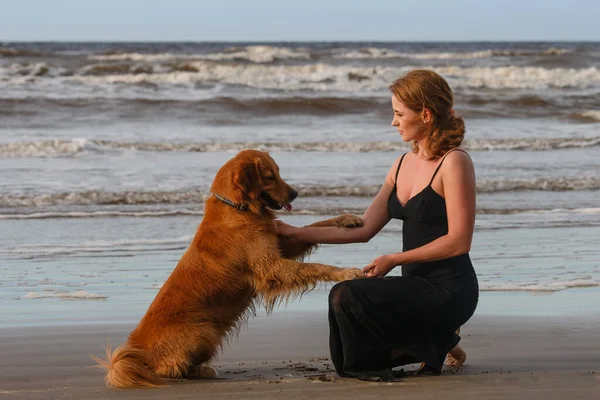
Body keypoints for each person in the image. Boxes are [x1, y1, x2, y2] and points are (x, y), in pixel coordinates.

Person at [275, 69, 479, 381]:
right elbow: (363, 228)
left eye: (399, 114)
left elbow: (458, 241)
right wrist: (294, 231)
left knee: (347, 295)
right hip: (414, 288)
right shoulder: (400, 165)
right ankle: (434, 341)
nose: (393, 122)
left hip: (451, 289)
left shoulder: (453, 162)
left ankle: (435, 339)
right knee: (346, 352)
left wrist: (394, 259)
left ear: (425, 115)